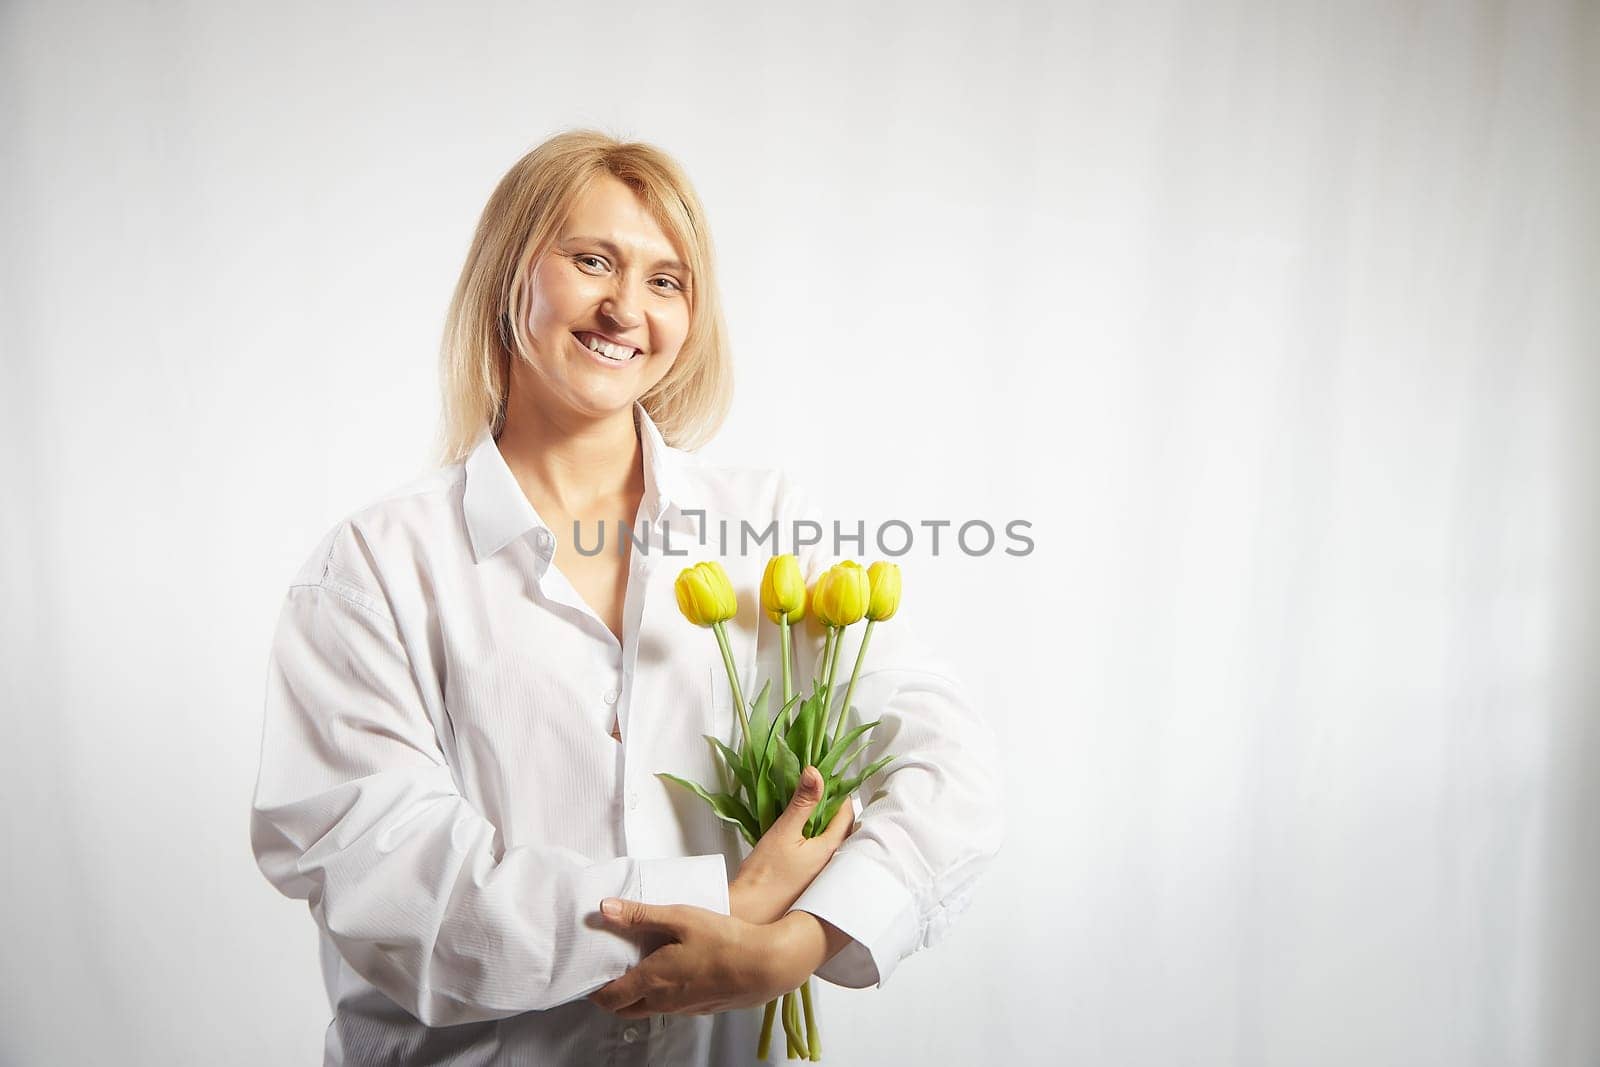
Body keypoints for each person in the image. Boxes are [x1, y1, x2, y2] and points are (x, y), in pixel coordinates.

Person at [250, 129, 1006, 1066]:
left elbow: (947, 763)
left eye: (666, 280)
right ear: (509, 275)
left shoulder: (764, 525)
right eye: (592, 260)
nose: (625, 308)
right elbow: (404, 897)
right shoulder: (373, 567)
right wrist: (726, 901)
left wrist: (791, 943)